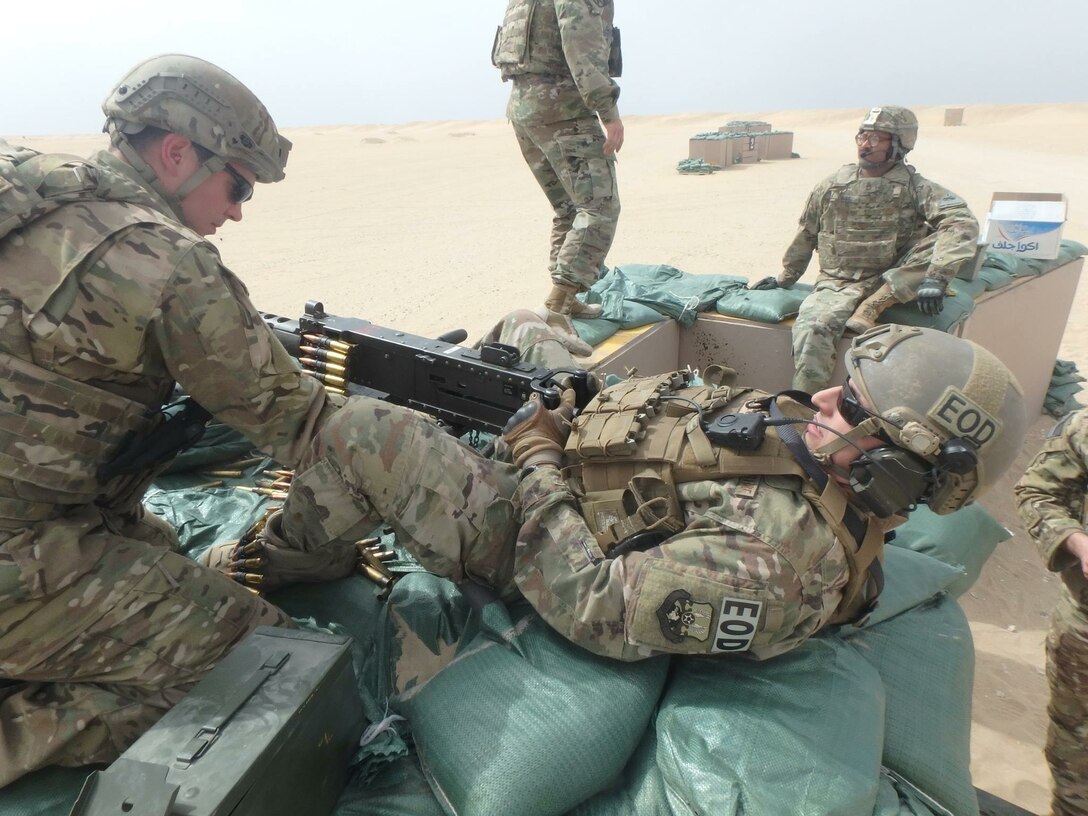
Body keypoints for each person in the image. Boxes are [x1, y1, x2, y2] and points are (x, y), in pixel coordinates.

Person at [230, 315, 1026, 663]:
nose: (824, 398)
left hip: (539, 540)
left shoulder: (782, 566)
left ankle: (289, 561)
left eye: (853, 405)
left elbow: (590, 602)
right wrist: (588, 404)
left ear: (895, 465)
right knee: (521, 326)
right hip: (598, 466)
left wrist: (538, 456)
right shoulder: (824, 452)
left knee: (368, 432)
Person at [0, 55, 358, 785]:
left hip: (42, 514)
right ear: (176, 154)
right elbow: (296, 419)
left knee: (162, 552)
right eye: (238, 185)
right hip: (18, 558)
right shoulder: (163, 259)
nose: (236, 210)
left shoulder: (40, 199)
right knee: (261, 664)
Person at [749, 106, 979, 394]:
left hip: (890, 277)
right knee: (813, 329)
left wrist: (936, 277)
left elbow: (961, 221)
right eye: (862, 136)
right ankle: (803, 405)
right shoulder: (832, 185)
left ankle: (876, 304)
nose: (865, 145)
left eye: (875, 138)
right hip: (837, 282)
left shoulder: (916, 188)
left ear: (899, 144)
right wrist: (786, 277)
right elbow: (807, 232)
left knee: (942, 238)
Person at [492, 0, 623, 358]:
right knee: (599, 209)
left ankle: (568, 300)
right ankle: (556, 308)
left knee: (568, 209)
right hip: (563, 110)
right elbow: (580, 46)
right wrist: (608, 112)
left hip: (525, 109)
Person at [1015, 408, 1088, 816]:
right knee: (1075, 752)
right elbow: (1037, 492)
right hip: (1084, 631)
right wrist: (1076, 541)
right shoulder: (1084, 428)